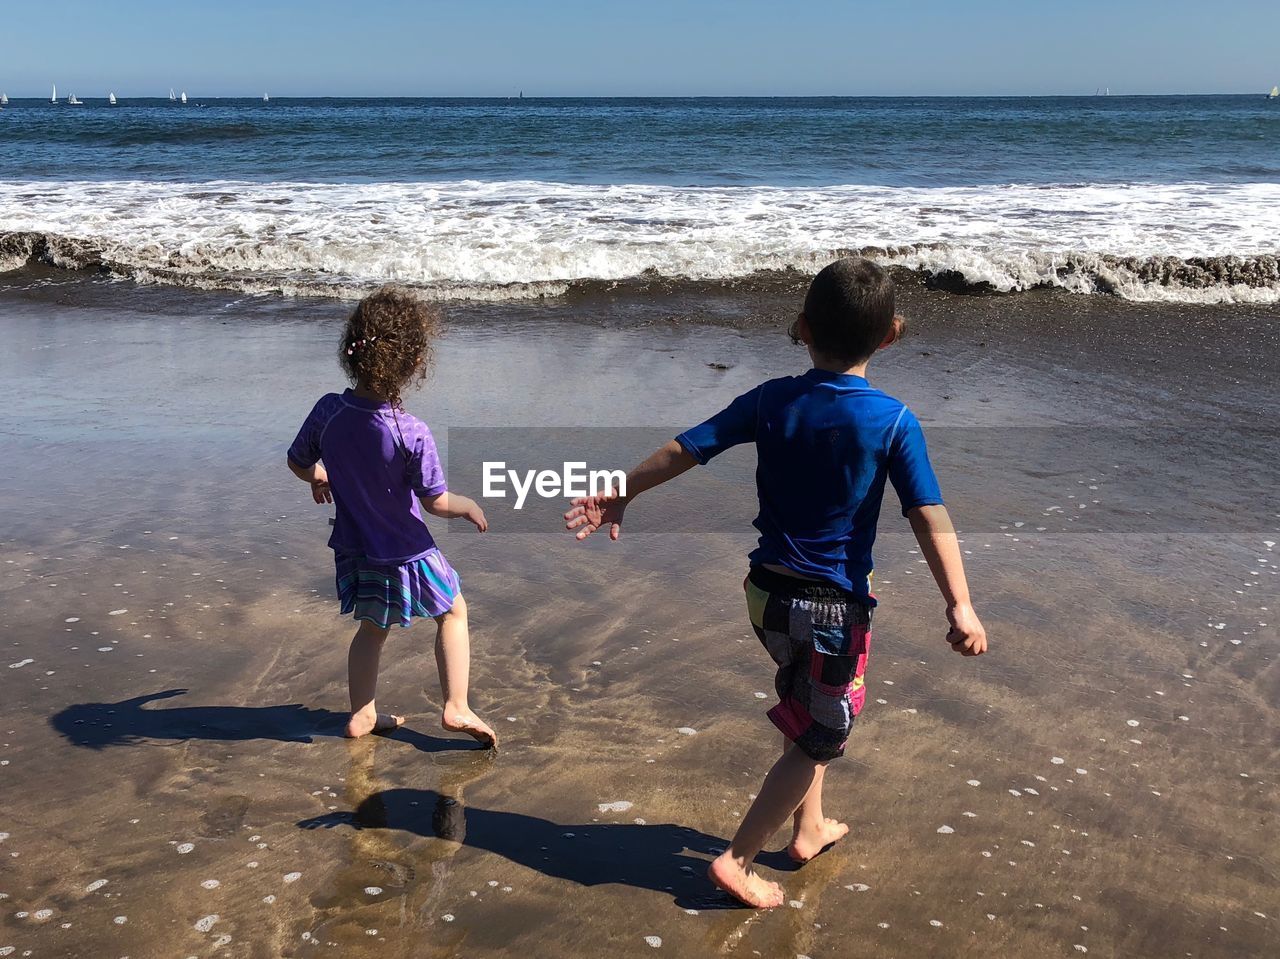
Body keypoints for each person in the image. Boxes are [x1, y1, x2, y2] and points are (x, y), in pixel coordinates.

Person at [564, 257, 987, 907]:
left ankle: (809, 827)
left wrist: (622, 490)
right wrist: (959, 602)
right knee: (821, 733)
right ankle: (735, 859)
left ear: (802, 326)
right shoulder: (894, 420)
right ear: (891, 334)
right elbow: (928, 512)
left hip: (764, 597)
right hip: (830, 609)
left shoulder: (770, 400)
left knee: (805, 705)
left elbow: (689, 446)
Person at [287, 286, 496, 748]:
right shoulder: (409, 431)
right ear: (414, 362)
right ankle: (456, 707)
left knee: (373, 628)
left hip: (356, 547)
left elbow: (298, 459)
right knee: (453, 611)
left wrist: (318, 474)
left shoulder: (329, 410)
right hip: (407, 549)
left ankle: (362, 714)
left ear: (351, 350)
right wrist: (469, 506)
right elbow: (435, 501)